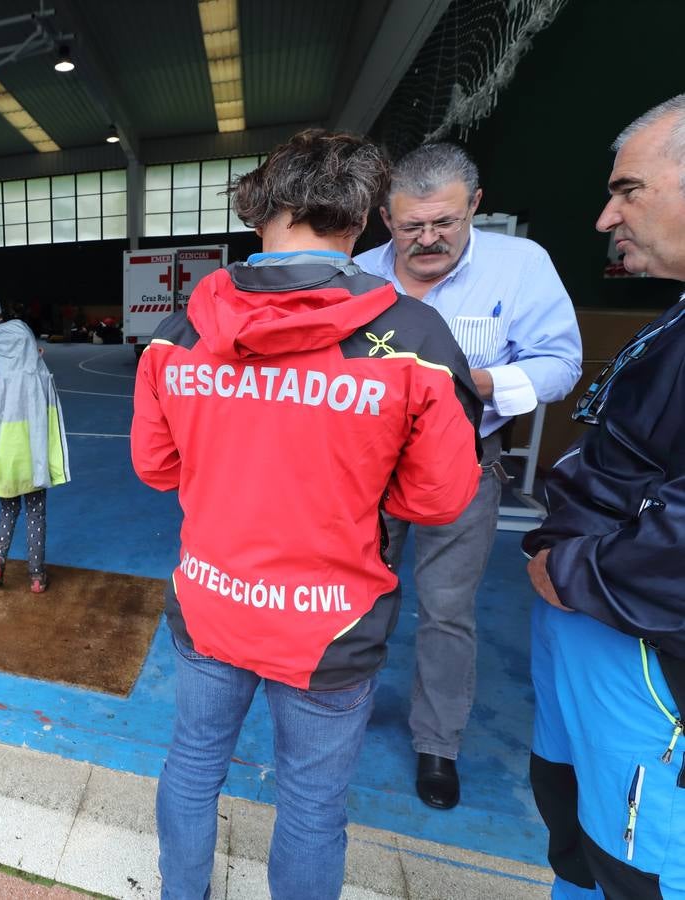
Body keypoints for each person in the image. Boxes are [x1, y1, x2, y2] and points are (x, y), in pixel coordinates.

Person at [132, 128, 483, 899]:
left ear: (257, 209)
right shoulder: (414, 342)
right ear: (362, 222)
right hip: (333, 623)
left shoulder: (178, 335)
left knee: (191, 770)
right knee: (313, 806)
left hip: (211, 601)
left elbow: (156, 469)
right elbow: (441, 497)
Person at [354, 142, 583, 809]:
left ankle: (437, 743)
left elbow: (560, 365)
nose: (427, 240)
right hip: (372, 470)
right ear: (382, 218)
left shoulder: (521, 266)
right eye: (409, 227)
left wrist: (470, 383)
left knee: (448, 611)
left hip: (463, 465)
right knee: (363, 592)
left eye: (444, 224)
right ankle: (345, 704)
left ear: (475, 205)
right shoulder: (362, 275)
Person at [523, 95, 685, 899]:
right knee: (578, 832)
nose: (604, 216)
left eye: (629, 190)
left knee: (637, 865)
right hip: (591, 626)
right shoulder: (680, 318)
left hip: (645, 647)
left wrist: (576, 572)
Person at [0, 319, 69, 594]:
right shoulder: (38, 376)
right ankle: (36, 575)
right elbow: (50, 413)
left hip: (5, 462)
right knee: (36, 513)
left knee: (8, 511)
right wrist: (36, 358)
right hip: (32, 461)